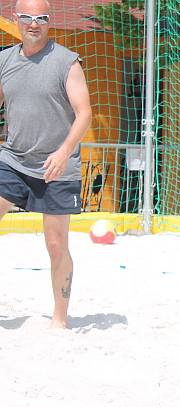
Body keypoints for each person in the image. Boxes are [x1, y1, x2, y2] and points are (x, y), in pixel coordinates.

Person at [0, 0, 92, 328]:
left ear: (48, 21)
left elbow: (85, 114)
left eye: (41, 18)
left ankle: (60, 319)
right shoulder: (4, 60)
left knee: (56, 244)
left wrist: (64, 151)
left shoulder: (67, 62)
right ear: (17, 19)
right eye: (27, 18)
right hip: (13, 160)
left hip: (57, 165)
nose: (34, 24)